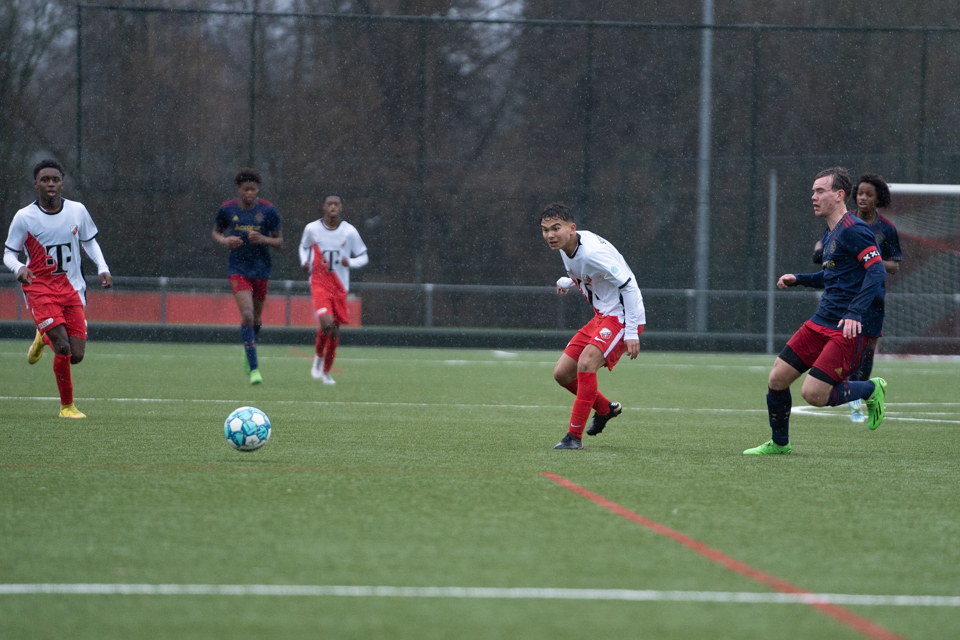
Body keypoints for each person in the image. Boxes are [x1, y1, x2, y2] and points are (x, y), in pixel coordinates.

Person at [744, 167, 888, 455]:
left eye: (820, 191)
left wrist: (856, 313)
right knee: (777, 378)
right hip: (820, 321)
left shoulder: (854, 229)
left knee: (813, 395)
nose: (813, 196)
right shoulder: (832, 234)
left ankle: (870, 389)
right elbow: (834, 277)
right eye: (813, 191)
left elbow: (877, 270)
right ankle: (780, 444)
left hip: (845, 327)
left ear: (839, 195)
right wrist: (800, 279)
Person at [3, 159, 113, 418]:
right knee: (62, 348)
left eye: (55, 179)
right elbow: (9, 254)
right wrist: (18, 268)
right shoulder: (24, 217)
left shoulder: (77, 211)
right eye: (45, 179)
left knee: (76, 355)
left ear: (62, 183)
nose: (50, 183)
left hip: (72, 288)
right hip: (39, 288)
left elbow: (90, 242)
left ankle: (43, 337)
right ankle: (67, 407)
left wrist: (102, 267)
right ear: (36, 184)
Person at [540, 202, 646, 450]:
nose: (550, 235)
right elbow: (590, 276)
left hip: (622, 317)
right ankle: (604, 409)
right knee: (562, 373)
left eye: (556, 228)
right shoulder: (566, 246)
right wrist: (569, 281)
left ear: (572, 228)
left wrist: (631, 331)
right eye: (545, 230)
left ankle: (573, 437)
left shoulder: (592, 252)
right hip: (602, 315)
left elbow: (628, 285)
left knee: (586, 363)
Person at [212, 168, 282, 385]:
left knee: (257, 320)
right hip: (238, 268)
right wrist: (225, 241)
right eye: (246, 189)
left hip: (261, 269)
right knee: (248, 315)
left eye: (253, 189)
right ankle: (254, 369)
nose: (250, 193)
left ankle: (248, 345)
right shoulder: (227, 209)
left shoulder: (268, 210)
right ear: (239, 190)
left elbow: (279, 241)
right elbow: (216, 232)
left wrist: (264, 239)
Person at [298, 194, 368, 384]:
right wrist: (304, 261)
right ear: (324, 207)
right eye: (330, 204)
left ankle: (327, 372)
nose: (333, 207)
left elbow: (363, 256)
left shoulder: (349, 231)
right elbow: (303, 247)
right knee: (326, 323)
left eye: (336, 204)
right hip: (319, 283)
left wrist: (350, 262)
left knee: (335, 331)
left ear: (341, 207)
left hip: (340, 286)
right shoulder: (312, 229)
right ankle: (318, 358)